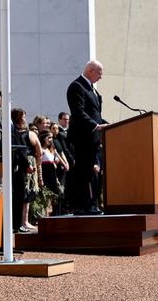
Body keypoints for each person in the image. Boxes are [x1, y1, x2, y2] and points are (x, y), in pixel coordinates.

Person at [65, 60, 108, 215]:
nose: (101, 77)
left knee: (93, 172)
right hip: (82, 137)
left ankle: (92, 204)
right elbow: (78, 111)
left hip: (93, 138)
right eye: (99, 73)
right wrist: (95, 126)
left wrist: (106, 124)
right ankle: (83, 206)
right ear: (91, 70)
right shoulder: (77, 86)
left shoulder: (92, 90)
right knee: (84, 172)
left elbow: (96, 115)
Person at [11, 108, 40, 231]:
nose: (25, 118)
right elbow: (21, 150)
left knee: (23, 194)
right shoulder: (14, 129)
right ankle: (17, 224)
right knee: (19, 195)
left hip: (21, 166)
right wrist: (27, 165)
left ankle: (20, 223)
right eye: (23, 116)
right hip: (18, 166)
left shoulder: (16, 130)